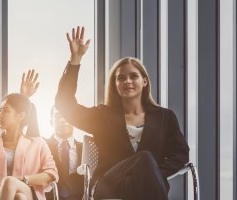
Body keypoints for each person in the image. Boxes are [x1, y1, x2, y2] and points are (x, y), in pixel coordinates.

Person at [55, 26, 189, 199]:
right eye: (121, 78)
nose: (127, 81)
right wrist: (75, 60)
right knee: (145, 159)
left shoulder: (165, 117)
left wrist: (155, 172)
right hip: (110, 185)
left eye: (133, 76)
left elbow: (180, 153)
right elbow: (64, 104)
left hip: (147, 186)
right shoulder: (102, 116)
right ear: (115, 85)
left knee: (145, 164)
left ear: (145, 81)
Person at [0, 70, 58, 200]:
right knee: (19, 198)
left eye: (5, 111)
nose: (0, 115)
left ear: (21, 116)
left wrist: (23, 180)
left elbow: (51, 173)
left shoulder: (38, 144)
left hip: (28, 190)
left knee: (11, 183)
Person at [45, 107, 83, 200]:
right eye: (58, 116)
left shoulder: (85, 148)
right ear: (51, 122)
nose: (63, 120)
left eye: (67, 116)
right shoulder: (42, 145)